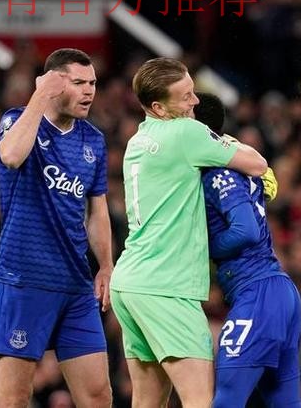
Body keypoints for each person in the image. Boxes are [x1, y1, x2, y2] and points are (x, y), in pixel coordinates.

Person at [110, 58, 267, 407]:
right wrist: (224, 141)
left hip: (131, 283)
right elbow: (258, 164)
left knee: (147, 402)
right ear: (158, 107)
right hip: (166, 286)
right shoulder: (185, 132)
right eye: (185, 97)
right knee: (200, 400)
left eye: (193, 91)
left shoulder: (139, 139)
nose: (195, 102)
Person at [0, 48, 113, 407]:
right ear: (53, 83)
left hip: (76, 285)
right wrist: (40, 95)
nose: (89, 91)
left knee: (98, 395)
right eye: (78, 83)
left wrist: (106, 265)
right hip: (24, 278)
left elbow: (97, 210)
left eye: (93, 83)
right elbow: (11, 156)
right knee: (14, 396)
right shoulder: (17, 120)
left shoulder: (93, 140)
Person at [193, 92, 301, 408]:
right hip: (276, 291)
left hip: (258, 293)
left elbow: (246, 230)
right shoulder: (237, 160)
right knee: (284, 402)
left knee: (226, 399)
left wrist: (203, 248)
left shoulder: (218, 172)